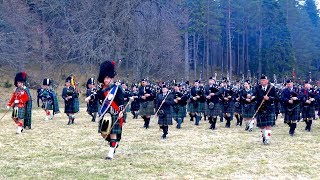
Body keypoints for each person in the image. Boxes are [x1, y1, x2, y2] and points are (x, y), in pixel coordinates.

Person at [96, 61, 124, 160]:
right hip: (105, 113)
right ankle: (114, 143)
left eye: (108, 78)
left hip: (114, 112)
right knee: (104, 133)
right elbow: (98, 98)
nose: (106, 80)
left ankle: (110, 153)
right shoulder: (101, 88)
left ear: (111, 78)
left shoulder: (117, 88)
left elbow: (121, 100)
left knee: (113, 133)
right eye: (104, 78)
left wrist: (121, 111)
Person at [254, 75, 277, 145]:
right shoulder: (257, 88)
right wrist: (251, 96)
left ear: (267, 81)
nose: (262, 81)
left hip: (269, 108)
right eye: (261, 80)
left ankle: (267, 139)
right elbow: (255, 95)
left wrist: (269, 98)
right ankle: (264, 136)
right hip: (260, 108)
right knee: (262, 126)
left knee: (268, 125)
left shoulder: (272, 88)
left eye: (264, 80)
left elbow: (277, 98)